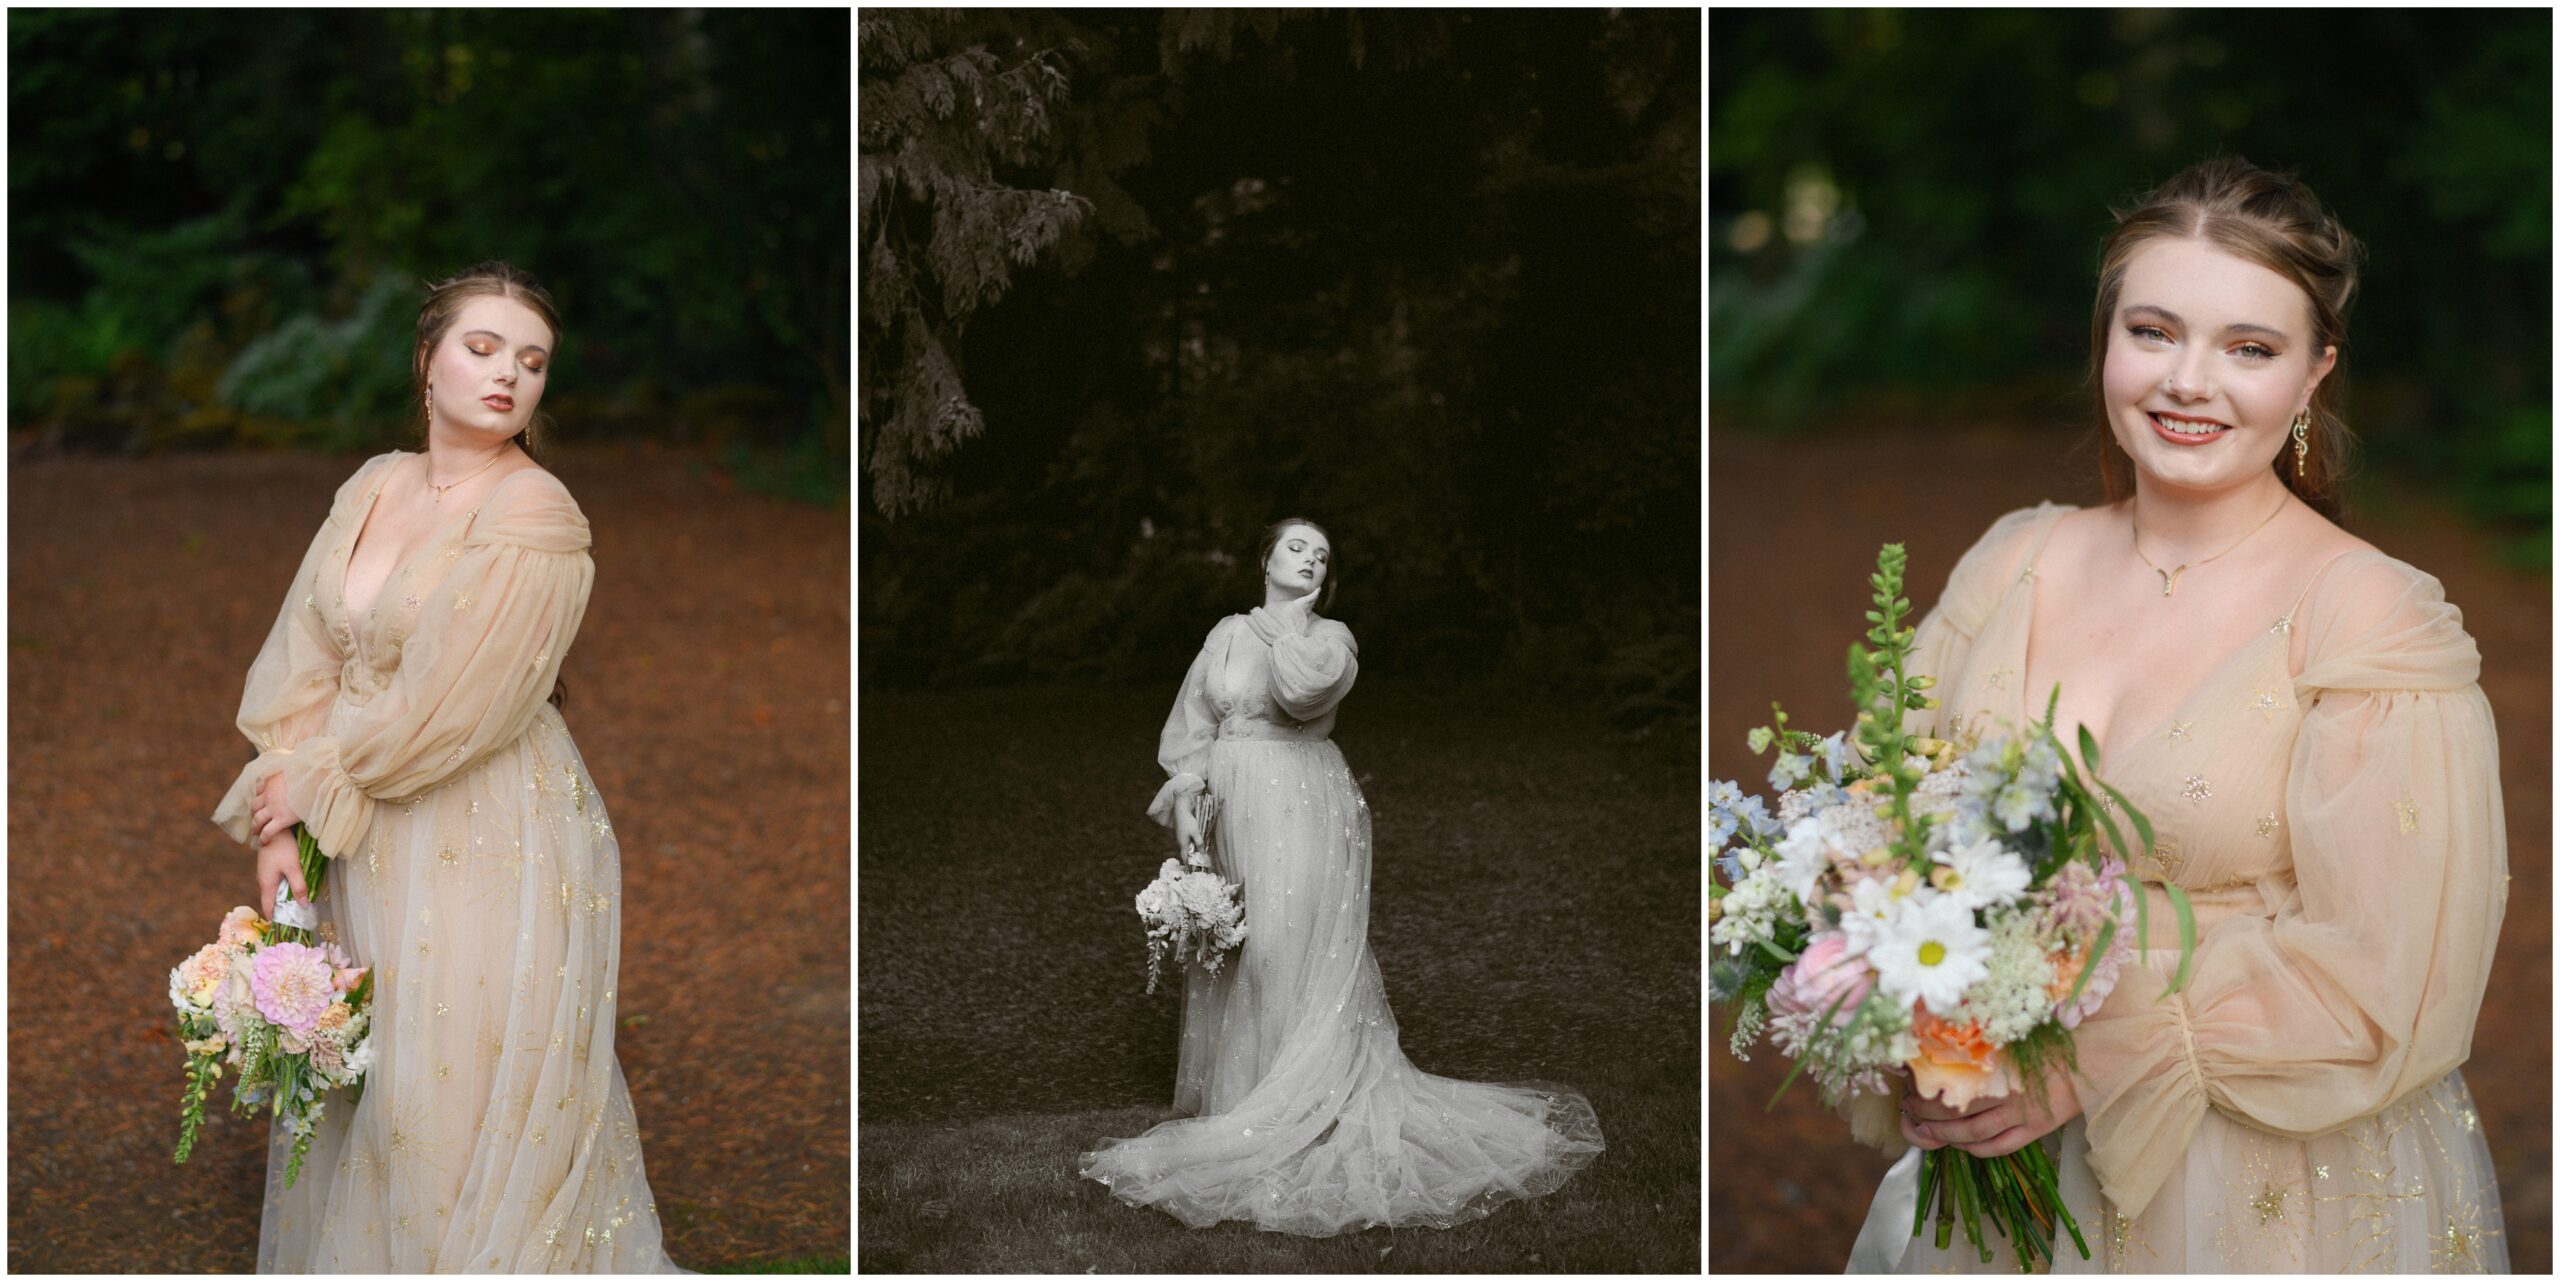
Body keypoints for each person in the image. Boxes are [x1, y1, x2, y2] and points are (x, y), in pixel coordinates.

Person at [1841, 158, 2509, 1272]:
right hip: (1991, 1163)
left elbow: (2395, 976)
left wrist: (2092, 1055)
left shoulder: (2367, 618)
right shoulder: (2014, 558)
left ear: (2312, 377)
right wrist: (1908, 1018)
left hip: (2258, 1188)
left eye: (2248, 349)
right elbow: (1874, 818)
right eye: (2153, 332)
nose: (2188, 380)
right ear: (2105, 341)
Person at [210, 262, 688, 1272]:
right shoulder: (372, 485)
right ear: (427, 361)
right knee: (379, 1100)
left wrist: (312, 784)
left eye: (532, 361)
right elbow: (306, 657)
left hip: (486, 825)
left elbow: (454, 707)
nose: (507, 375)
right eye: (482, 349)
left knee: (454, 1093)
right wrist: (281, 821)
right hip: (369, 827)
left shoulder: (536, 516)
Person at [1078, 518, 1605, 1235]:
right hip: (1231, 801)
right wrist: (1191, 814)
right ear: (1265, 558)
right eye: (1297, 548)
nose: (1312, 560)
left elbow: (1299, 696)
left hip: (1299, 796)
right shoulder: (1226, 631)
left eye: (1322, 556)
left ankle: (1302, 1103)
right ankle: (1243, 1101)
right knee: (1235, 943)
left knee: (1286, 944)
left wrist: (1292, 619)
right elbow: (1191, 727)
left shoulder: (1331, 639)